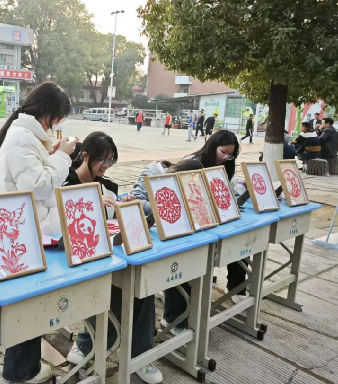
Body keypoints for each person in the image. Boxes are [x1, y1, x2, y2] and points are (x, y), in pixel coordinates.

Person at [0, 81, 77, 384]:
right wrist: (63, 155)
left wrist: (52, 154)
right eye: (57, 119)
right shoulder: (21, 138)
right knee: (26, 304)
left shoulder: (27, 136)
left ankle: (25, 369)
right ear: (48, 113)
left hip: (24, 232)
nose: (57, 125)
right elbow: (39, 186)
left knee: (30, 303)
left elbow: (38, 182)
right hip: (17, 236)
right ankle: (18, 373)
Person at [64, 132, 163, 384]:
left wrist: (124, 207)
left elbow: (113, 224)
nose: (106, 166)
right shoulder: (65, 181)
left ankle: (139, 354)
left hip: (108, 254)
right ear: (85, 156)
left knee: (141, 285)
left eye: (110, 161)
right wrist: (91, 203)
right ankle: (89, 344)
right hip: (71, 256)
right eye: (102, 160)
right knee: (118, 289)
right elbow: (61, 225)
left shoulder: (108, 186)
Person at [186, 131, 247, 301]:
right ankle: (187, 295)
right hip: (195, 219)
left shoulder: (227, 165)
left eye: (230, 155)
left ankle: (237, 287)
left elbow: (232, 187)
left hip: (218, 218)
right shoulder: (192, 163)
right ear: (212, 146)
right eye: (223, 152)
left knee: (240, 238)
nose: (225, 157)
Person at [161, 160, 205, 334]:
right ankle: (173, 319)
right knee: (179, 272)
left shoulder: (195, 187)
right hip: (169, 241)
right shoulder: (161, 184)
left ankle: (181, 317)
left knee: (190, 270)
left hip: (188, 237)